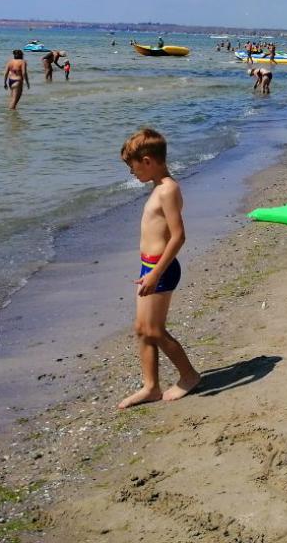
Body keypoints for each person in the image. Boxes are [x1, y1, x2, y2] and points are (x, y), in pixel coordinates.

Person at [117, 128, 200, 409]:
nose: (132, 172)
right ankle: (151, 386)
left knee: (154, 330)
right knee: (142, 328)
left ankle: (188, 375)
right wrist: (147, 270)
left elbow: (178, 236)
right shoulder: (159, 186)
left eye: (133, 166)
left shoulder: (168, 189)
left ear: (148, 160)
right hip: (149, 267)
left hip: (160, 270)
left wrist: (154, 273)